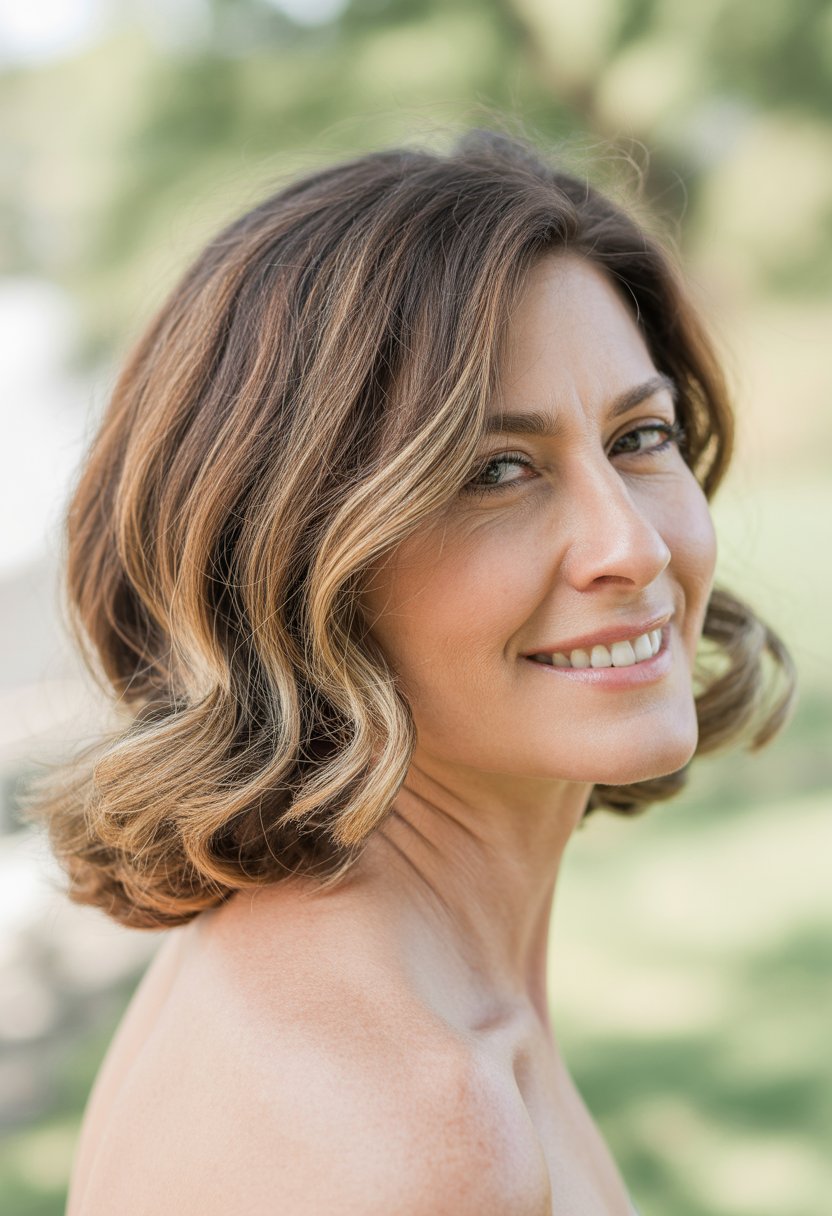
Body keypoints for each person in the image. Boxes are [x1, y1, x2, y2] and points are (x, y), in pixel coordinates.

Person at [31, 128, 794, 1215]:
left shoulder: (399, 998)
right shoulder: (415, 1136)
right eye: (497, 469)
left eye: (639, 436)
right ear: (294, 568)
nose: (631, 547)